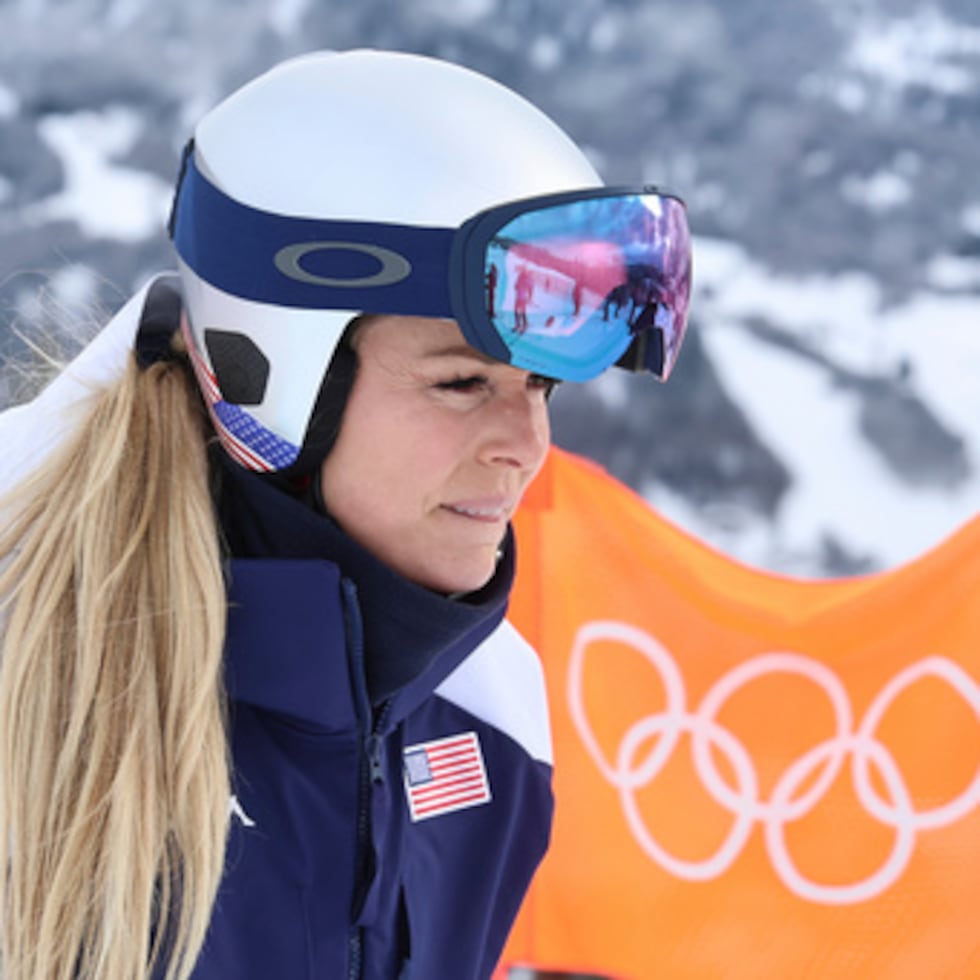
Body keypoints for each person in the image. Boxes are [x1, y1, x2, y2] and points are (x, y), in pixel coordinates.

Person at [0, 50, 692, 980]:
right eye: (460, 383)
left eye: (539, 387)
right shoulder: (30, 671)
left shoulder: (490, 716)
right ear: (272, 376)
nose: (524, 446)